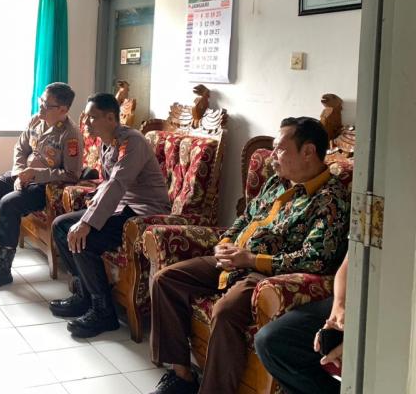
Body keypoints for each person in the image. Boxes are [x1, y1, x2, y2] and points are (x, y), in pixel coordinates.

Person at [148, 117, 350, 394]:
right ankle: (181, 376)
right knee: (166, 280)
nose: (273, 155)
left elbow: (317, 258)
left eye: (280, 149)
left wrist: (252, 260)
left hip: (264, 273)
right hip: (235, 259)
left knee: (226, 311)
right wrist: (225, 243)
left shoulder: (331, 198)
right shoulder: (277, 182)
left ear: (308, 152)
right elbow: (245, 218)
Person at [49, 92, 170, 338]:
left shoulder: (132, 142)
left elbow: (118, 182)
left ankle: (104, 312)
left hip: (144, 212)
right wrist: (93, 200)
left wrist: (87, 222)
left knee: (84, 238)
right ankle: (84, 295)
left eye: (93, 117)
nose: (87, 122)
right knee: (60, 227)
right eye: (86, 117)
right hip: (122, 207)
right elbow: (108, 181)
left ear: (111, 118)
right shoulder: (107, 141)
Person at [0, 82, 84, 291]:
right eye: (41, 101)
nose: (40, 107)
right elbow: (20, 149)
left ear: (63, 109)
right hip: (19, 176)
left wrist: (35, 174)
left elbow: (72, 174)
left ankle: (2, 269)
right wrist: (19, 173)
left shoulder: (70, 135)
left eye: (46, 105)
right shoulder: (36, 120)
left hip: (44, 188)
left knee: (9, 203)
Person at [254, 253, 348, 394]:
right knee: (270, 340)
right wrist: (339, 308)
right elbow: (348, 264)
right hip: (352, 300)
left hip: (383, 317)